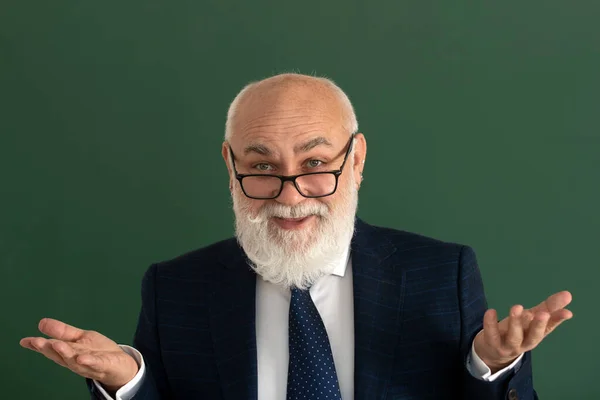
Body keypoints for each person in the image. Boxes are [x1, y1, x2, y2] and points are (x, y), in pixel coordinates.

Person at [20, 73, 573, 400]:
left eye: (314, 163)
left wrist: (490, 366)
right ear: (229, 164)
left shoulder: (441, 273)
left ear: (355, 160)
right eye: (261, 167)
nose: (290, 194)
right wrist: (128, 381)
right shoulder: (175, 288)